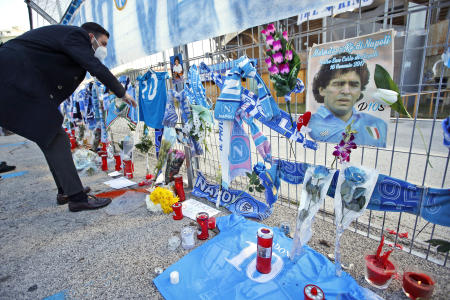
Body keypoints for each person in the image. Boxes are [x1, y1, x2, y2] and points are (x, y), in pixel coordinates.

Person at [0, 22, 137, 212]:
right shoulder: (76, 36)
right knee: (57, 138)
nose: (103, 49)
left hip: (17, 83)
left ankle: (67, 190)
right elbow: (94, 66)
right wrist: (121, 92)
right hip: (13, 81)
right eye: (103, 43)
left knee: (49, 136)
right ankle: (77, 198)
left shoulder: (67, 43)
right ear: (91, 37)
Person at [308, 52, 387, 148]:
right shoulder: (309, 124)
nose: (346, 91)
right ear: (322, 90)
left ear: (360, 92)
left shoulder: (379, 125)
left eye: (354, 85)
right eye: (338, 84)